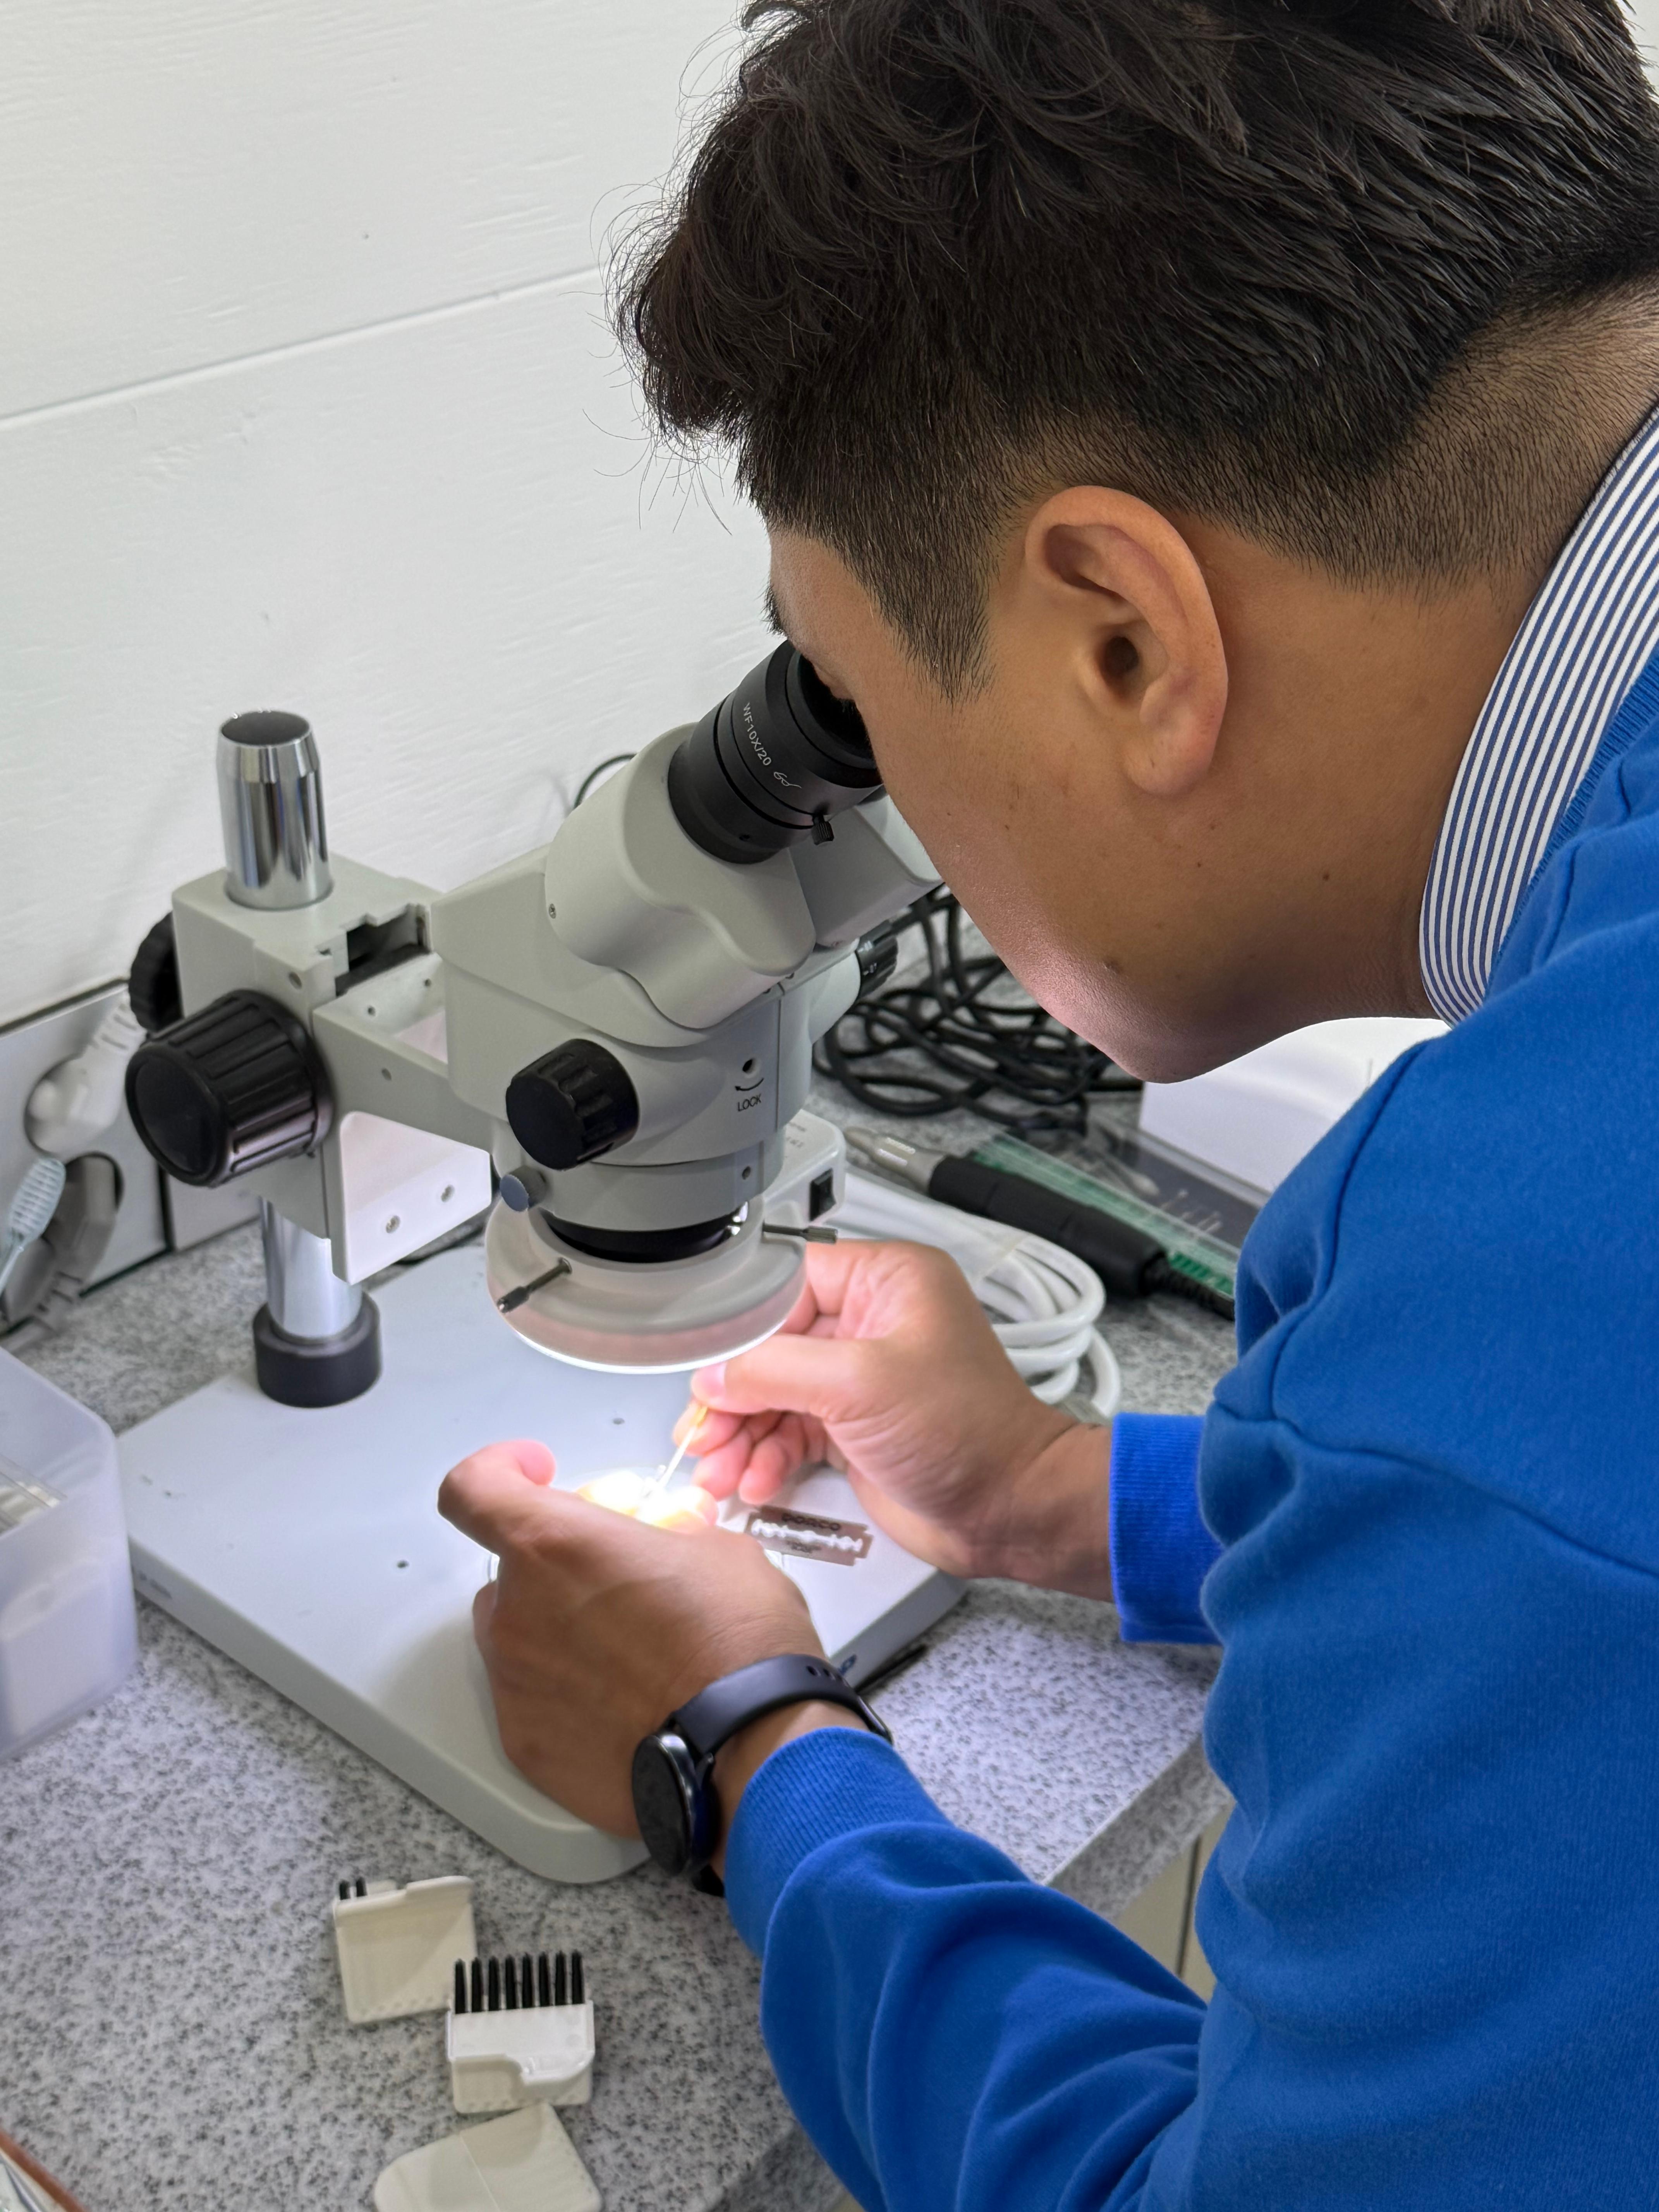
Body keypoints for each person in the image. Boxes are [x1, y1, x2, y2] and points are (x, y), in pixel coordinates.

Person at [437, 1, 1659, 2202]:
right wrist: (1049, 1494)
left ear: (1123, 639)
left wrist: (752, 1745)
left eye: (856, 701)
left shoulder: (1527, 1282)